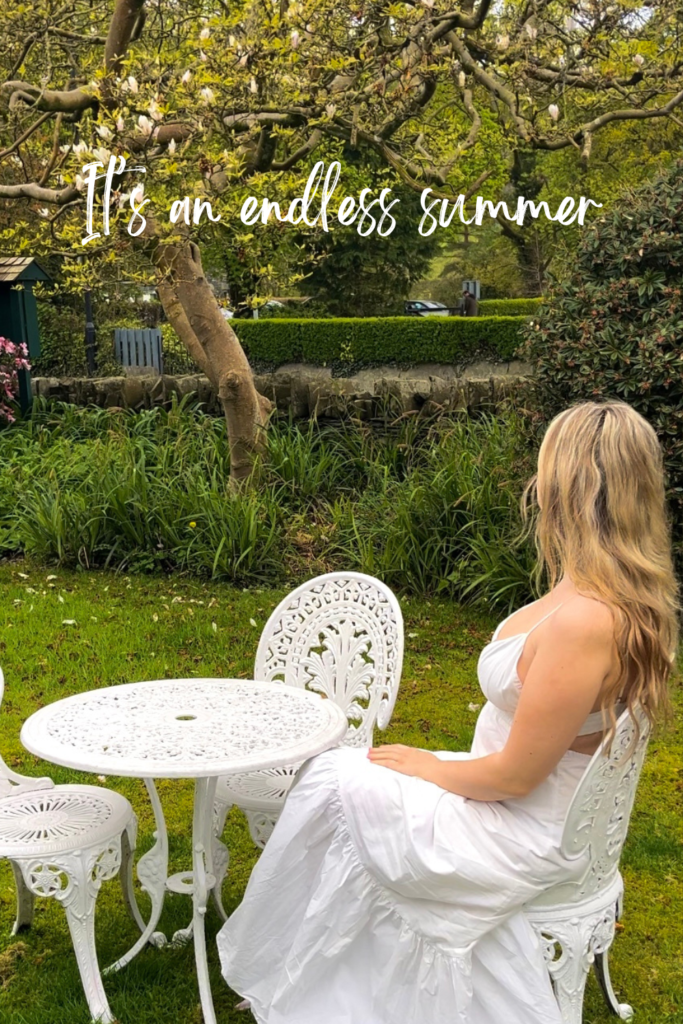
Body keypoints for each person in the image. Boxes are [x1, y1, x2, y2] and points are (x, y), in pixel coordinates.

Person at [217, 401, 678, 1024]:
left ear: (570, 486)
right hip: (520, 802)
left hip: (522, 822)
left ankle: (309, 981)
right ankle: (320, 974)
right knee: (346, 781)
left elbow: (516, 777)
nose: (534, 488)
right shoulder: (615, 594)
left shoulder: (588, 620)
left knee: (332, 782)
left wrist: (426, 765)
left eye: (544, 474)